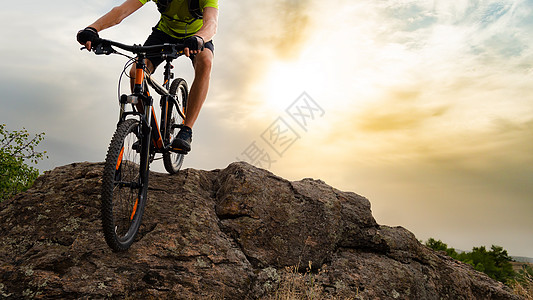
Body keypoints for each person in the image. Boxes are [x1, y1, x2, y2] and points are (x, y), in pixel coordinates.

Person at [77, 0, 219, 154]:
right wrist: (92, 28)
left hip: (197, 36)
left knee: (205, 63)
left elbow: (211, 23)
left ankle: (187, 130)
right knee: (135, 73)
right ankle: (147, 129)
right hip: (164, 34)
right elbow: (121, 11)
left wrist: (199, 38)